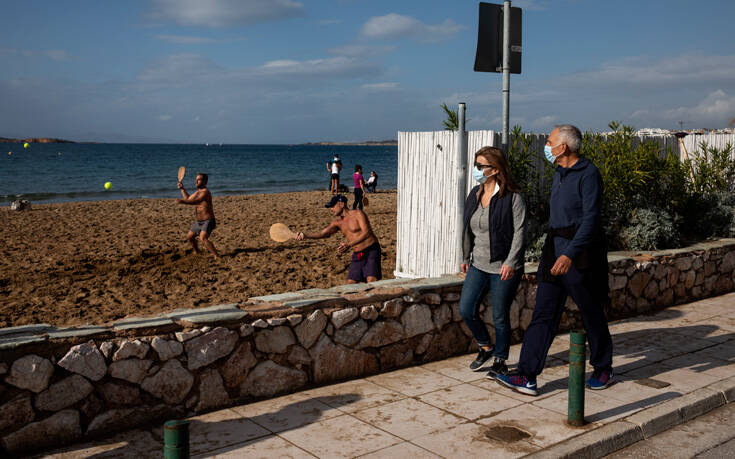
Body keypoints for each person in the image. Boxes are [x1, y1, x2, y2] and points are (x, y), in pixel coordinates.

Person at [497, 124, 613, 396]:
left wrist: (569, 254)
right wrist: (555, 252)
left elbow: (591, 220)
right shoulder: (559, 172)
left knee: (591, 311)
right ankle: (527, 374)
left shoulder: (589, 174)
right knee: (543, 312)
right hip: (554, 248)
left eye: (550, 142)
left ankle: (603, 366)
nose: (546, 147)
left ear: (564, 147)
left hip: (580, 252)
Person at [459, 146, 527, 380]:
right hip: (478, 263)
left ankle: (500, 359)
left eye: (481, 166)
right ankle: (486, 347)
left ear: (495, 169)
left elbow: (519, 232)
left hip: (504, 267)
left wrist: (511, 262)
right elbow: (467, 227)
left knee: (500, 316)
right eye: (476, 165)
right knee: (466, 309)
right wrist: (464, 256)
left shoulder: (512, 197)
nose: (477, 170)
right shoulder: (474, 194)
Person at [294, 195, 381, 283]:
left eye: (332, 206)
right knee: (351, 283)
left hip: (371, 250)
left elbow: (367, 233)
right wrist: (305, 235)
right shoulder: (337, 223)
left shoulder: (358, 214)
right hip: (358, 254)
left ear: (341, 204)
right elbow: (322, 234)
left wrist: (348, 244)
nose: (331, 209)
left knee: (371, 280)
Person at [176, 173, 219, 259]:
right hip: (199, 222)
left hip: (208, 220)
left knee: (202, 238)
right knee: (190, 237)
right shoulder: (198, 192)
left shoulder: (205, 192)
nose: (196, 181)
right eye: (196, 179)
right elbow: (188, 198)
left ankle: (216, 256)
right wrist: (182, 189)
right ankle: (197, 251)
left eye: (199, 179)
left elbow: (196, 201)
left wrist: (182, 202)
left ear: (205, 182)